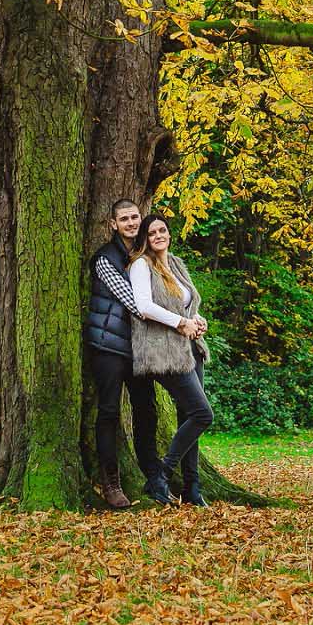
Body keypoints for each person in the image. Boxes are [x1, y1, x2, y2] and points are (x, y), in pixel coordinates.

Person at [126, 213, 214, 506]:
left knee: (189, 417)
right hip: (163, 351)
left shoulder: (175, 264)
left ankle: (192, 487)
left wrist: (197, 321)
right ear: (145, 239)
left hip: (190, 347)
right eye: (152, 233)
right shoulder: (141, 265)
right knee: (203, 414)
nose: (159, 236)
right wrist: (180, 323)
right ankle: (161, 475)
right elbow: (144, 306)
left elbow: (187, 305)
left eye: (163, 230)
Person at [86, 197, 160, 510]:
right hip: (108, 345)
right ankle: (111, 482)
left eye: (134, 217)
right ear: (113, 225)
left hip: (137, 346)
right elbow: (135, 303)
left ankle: (153, 476)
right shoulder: (105, 258)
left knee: (147, 409)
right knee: (109, 412)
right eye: (124, 219)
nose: (131, 223)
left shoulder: (146, 255)